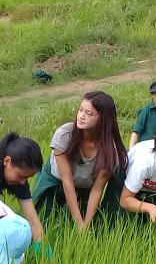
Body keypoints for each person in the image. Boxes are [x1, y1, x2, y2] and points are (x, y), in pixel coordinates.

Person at [31, 92, 127, 231]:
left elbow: (97, 189)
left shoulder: (110, 149)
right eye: (81, 110)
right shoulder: (64, 135)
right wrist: (78, 223)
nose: (81, 116)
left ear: (103, 119)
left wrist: (85, 225)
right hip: (55, 181)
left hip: (86, 188)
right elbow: (67, 181)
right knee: (42, 223)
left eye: (89, 113)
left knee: (90, 225)